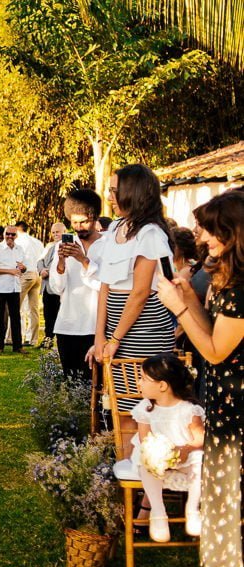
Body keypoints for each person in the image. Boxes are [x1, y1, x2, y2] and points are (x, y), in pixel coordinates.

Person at [157, 189, 243, 567]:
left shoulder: (242, 289)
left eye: (210, 230)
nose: (203, 238)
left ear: (233, 232)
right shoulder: (230, 278)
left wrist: (177, 309)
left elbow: (214, 350)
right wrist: (190, 298)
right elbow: (212, 330)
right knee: (227, 490)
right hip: (226, 401)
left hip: (238, 405)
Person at [95, 164, 176, 411]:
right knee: (119, 405)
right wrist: (99, 336)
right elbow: (104, 286)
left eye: (114, 191)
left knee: (144, 405)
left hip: (146, 331)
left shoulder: (150, 234)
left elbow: (140, 293)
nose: (110, 197)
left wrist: (115, 339)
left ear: (134, 193)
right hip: (116, 331)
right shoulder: (115, 228)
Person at [128, 354, 205, 542]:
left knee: (199, 462)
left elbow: (199, 438)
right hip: (156, 458)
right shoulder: (145, 408)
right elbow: (145, 440)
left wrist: (184, 450)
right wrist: (158, 455)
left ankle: (192, 509)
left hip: (184, 456)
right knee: (144, 464)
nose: (138, 383)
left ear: (162, 386)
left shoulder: (188, 409)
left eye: (143, 379)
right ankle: (158, 513)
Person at [49, 189, 105, 381]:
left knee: (97, 382)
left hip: (97, 326)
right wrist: (61, 263)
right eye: (74, 223)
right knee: (72, 382)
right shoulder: (63, 245)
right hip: (68, 325)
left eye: (84, 222)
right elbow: (56, 288)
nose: (79, 228)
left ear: (94, 218)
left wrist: (83, 260)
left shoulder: (108, 245)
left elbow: (107, 285)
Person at [0, 225, 29, 354]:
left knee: (16, 318)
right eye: (7, 234)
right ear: (4, 234)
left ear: (16, 236)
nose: (10, 236)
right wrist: (10, 271)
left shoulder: (19, 249)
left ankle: (18, 346)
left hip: (15, 287)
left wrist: (23, 268)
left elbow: (23, 268)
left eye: (13, 234)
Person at [14, 221, 44, 346]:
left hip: (25, 275)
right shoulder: (37, 242)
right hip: (37, 275)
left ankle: (15, 337)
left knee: (16, 307)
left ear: (17, 230)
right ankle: (32, 339)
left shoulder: (18, 242)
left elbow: (16, 260)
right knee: (33, 309)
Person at [37, 222, 66, 349]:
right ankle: (48, 339)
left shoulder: (67, 246)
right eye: (53, 232)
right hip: (47, 286)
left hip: (59, 287)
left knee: (59, 315)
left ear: (64, 232)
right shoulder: (50, 246)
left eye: (57, 232)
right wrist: (41, 270)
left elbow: (63, 264)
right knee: (48, 315)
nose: (55, 234)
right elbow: (40, 261)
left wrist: (48, 271)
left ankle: (60, 341)